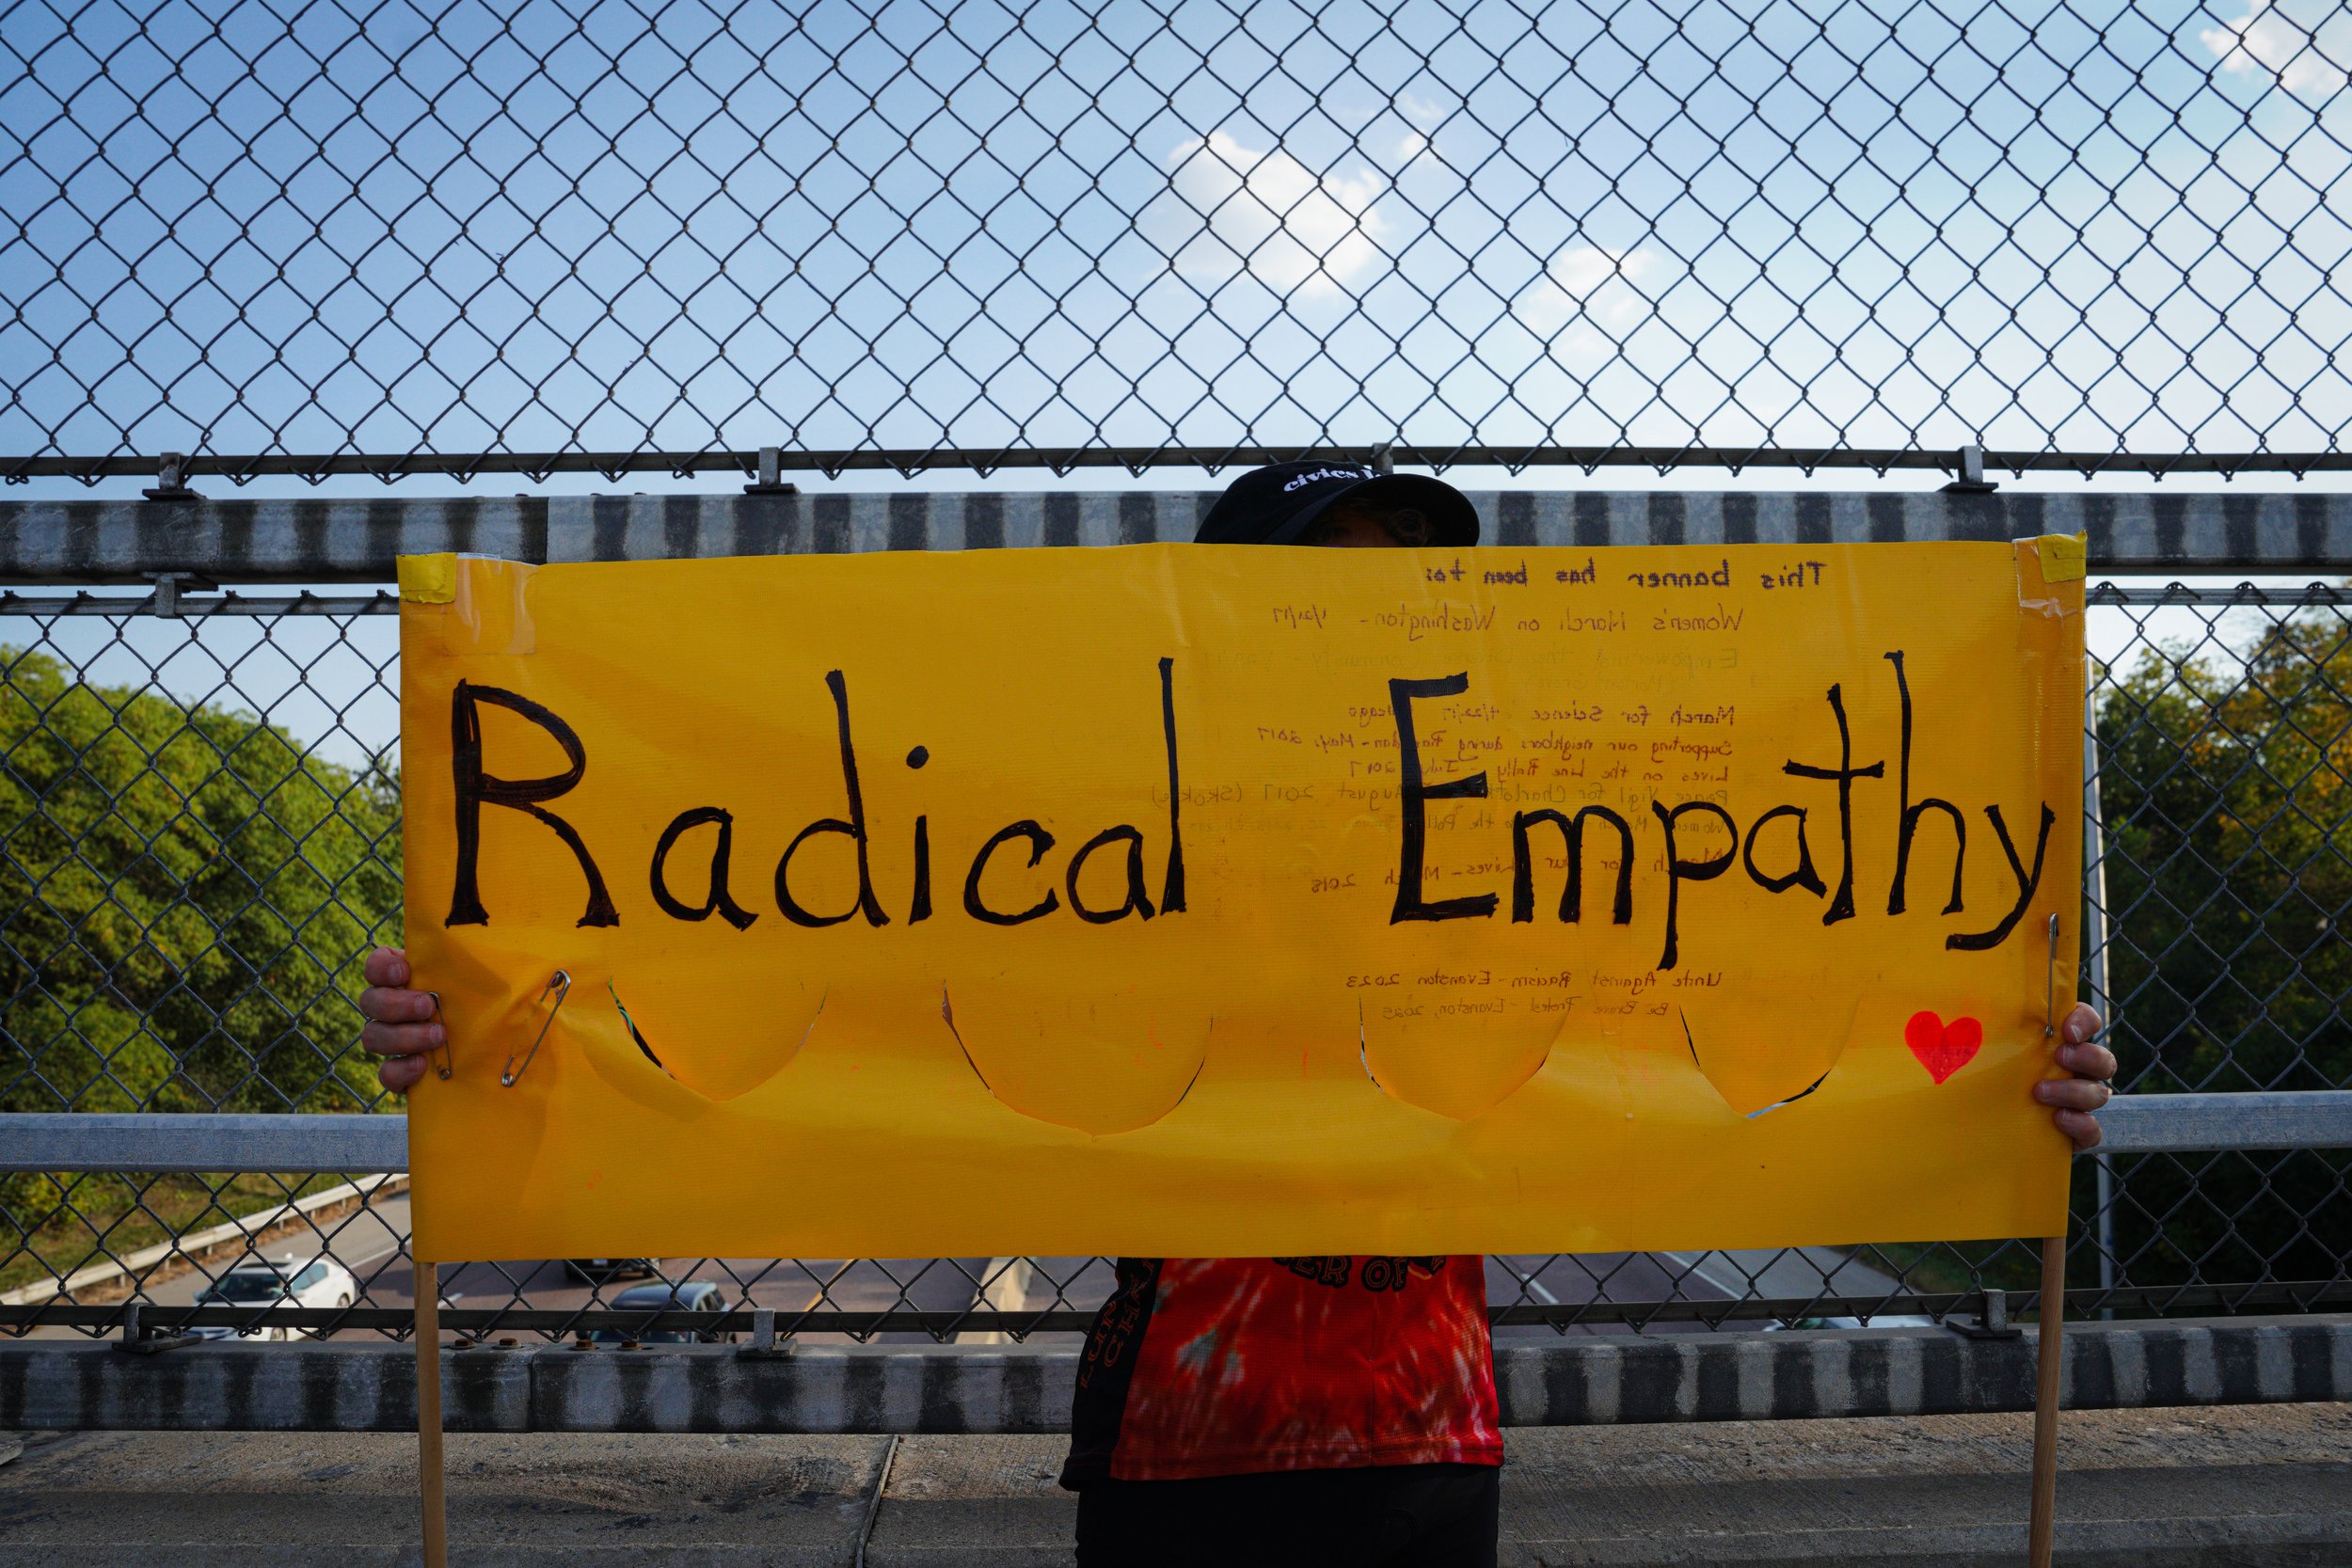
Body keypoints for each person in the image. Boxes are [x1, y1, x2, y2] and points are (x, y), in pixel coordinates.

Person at [358, 461, 2119, 1568]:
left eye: (1399, 589)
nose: (1365, 624)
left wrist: (1987, 1078)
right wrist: (483, 1038)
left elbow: (1724, 983)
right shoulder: (1107, 832)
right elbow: (838, 972)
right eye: (1317, 591)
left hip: (1427, 1438)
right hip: (1185, 1447)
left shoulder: (1514, 832)